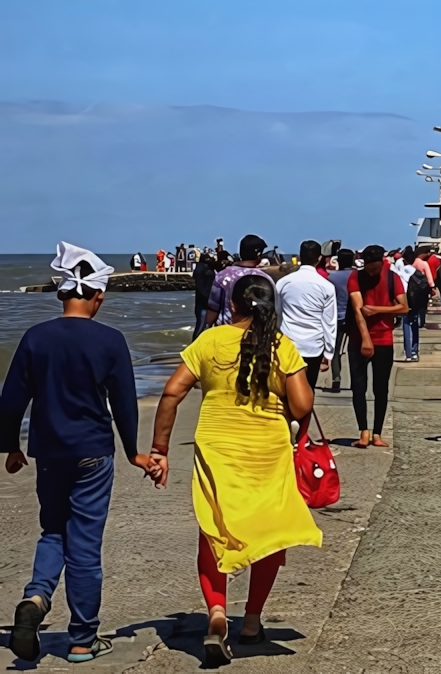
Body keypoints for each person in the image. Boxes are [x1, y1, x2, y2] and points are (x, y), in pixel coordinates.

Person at [149, 275, 322, 665]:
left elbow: (172, 392)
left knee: (215, 530)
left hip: (217, 447)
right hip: (266, 452)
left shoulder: (209, 341)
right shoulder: (280, 346)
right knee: (269, 531)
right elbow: (301, 405)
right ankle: (252, 622)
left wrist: (160, 448)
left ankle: (216, 614)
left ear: (234, 305)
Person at [0, 243, 158, 663]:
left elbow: (11, 399)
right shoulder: (110, 340)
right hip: (93, 452)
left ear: (61, 293)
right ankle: (82, 639)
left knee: (53, 529)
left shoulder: (36, 337)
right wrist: (134, 453)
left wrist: (11, 447)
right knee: (85, 542)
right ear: (98, 295)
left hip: (48, 451)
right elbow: (124, 402)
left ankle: (35, 597)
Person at [347, 245, 407, 448]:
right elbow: (357, 310)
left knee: (380, 389)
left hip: (384, 340)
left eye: (375, 268)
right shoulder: (356, 277)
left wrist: (376, 310)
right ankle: (363, 431)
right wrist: (365, 339)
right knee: (358, 387)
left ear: (381, 262)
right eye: (369, 268)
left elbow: (404, 307)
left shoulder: (392, 277)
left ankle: (377, 433)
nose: (372, 272)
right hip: (358, 340)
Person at [276, 240, 337, 389]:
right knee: (308, 391)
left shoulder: (283, 283)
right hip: (313, 347)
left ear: (300, 257)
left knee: (285, 391)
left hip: (287, 345)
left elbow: (278, 313)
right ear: (319, 258)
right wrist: (329, 353)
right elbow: (329, 322)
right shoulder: (326, 286)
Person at [205, 234, 269, 329]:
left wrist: (206, 330)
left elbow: (213, 308)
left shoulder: (222, 276)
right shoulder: (264, 278)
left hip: (226, 332)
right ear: (259, 255)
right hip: (256, 334)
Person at [326, 248, 356, 394]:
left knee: (336, 351)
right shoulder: (357, 275)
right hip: (355, 318)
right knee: (354, 350)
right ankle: (356, 381)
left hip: (337, 317)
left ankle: (336, 378)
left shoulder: (331, 277)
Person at [403, 247, 434, 362]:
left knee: (406, 324)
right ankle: (415, 351)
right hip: (417, 298)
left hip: (405, 300)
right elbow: (429, 279)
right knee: (415, 324)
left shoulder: (401, 269)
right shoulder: (421, 266)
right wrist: (432, 288)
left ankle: (408, 353)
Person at [192, 252, 218, 338]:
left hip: (206, 302)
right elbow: (201, 288)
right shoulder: (201, 269)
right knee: (201, 327)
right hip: (204, 303)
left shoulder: (205, 268)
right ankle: (195, 345)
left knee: (205, 327)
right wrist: (209, 302)